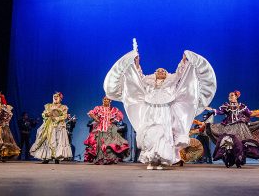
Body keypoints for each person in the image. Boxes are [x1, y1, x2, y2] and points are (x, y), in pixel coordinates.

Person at [103, 39, 217, 170]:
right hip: (151, 111)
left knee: (164, 134)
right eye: (159, 70)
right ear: (155, 73)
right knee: (151, 133)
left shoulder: (172, 81)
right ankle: (151, 160)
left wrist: (184, 61)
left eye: (164, 70)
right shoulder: (148, 81)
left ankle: (163, 160)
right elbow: (137, 77)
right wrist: (136, 62)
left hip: (165, 111)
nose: (161, 71)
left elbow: (181, 74)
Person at [84, 96, 130, 164]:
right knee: (99, 143)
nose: (106, 100)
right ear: (102, 100)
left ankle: (109, 158)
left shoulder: (113, 109)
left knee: (109, 144)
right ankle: (100, 158)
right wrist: (96, 119)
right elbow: (91, 113)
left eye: (107, 99)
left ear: (110, 101)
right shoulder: (98, 108)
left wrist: (114, 120)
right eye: (104, 99)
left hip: (110, 129)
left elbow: (120, 116)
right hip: (100, 128)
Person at [30, 92, 72, 164]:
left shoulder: (63, 107)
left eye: (57, 96)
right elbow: (43, 114)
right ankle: (46, 157)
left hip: (58, 126)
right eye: (54, 96)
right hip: (48, 125)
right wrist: (46, 114)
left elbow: (65, 116)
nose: (55, 98)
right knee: (46, 141)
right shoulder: (48, 106)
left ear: (61, 99)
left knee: (58, 141)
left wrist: (57, 118)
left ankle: (57, 158)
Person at [0, 92, 20, 161]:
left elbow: (7, 116)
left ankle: (2, 155)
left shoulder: (4, 107)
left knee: (3, 140)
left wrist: (2, 122)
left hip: (2, 126)